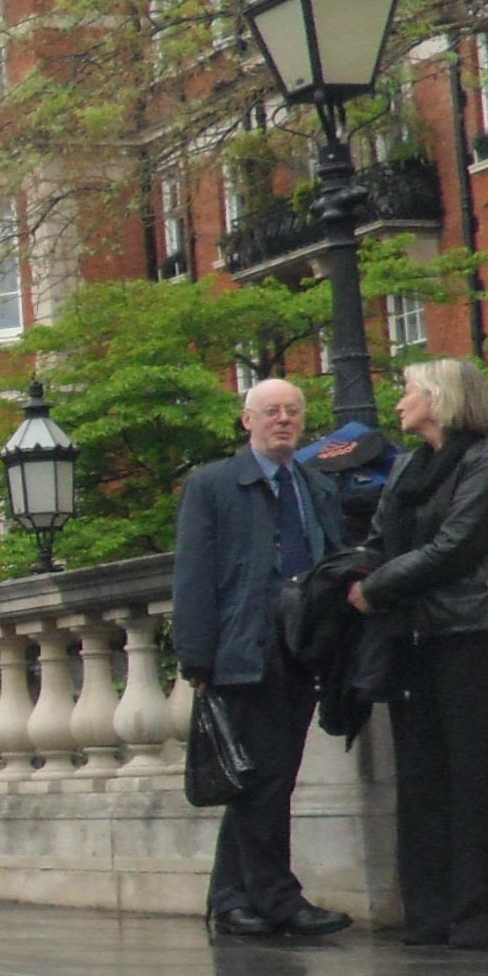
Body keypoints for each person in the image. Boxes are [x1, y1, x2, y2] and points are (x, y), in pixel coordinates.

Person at [171, 379, 351, 943]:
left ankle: (230, 900)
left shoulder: (314, 485)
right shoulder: (214, 485)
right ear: (246, 421)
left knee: (263, 780)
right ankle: (277, 899)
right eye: (271, 412)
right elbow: (194, 576)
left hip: (303, 649)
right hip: (246, 650)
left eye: (292, 412)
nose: (283, 420)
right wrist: (197, 659)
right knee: (264, 781)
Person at [350, 358, 488, 950]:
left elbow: (457, 545)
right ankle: (431, 913)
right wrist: (357, 574)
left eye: (409, 391)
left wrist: (377, 587)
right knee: (421, 778)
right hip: (414, 638)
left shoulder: (487, 464)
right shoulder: (409, 468)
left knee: (480, 779)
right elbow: (377, 538)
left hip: (477, 635)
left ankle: (486, 916)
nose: (399, 403)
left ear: (439, 398)